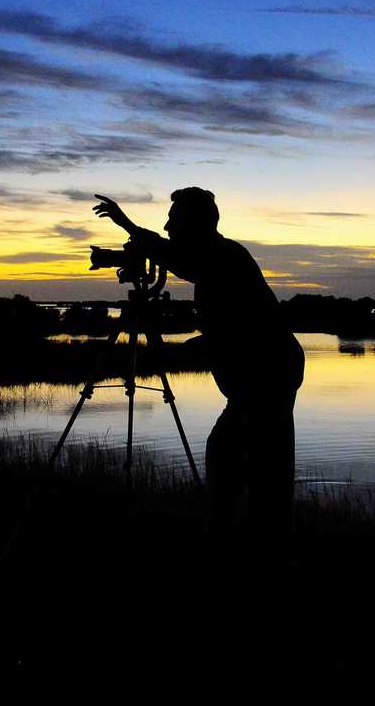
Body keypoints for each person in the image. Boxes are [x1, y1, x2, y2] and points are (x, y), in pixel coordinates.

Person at [93, 188, 304, 555]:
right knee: (232, 460)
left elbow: (232, 332)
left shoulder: (222, 257)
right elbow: (219, 324)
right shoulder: (215, 259)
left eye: (173, 220)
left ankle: (259, 549)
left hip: (266, 379)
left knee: (264, 478)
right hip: (256, 383)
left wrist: (128, 226)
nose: (167, 227)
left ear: (195, 224)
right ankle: (235, 539)